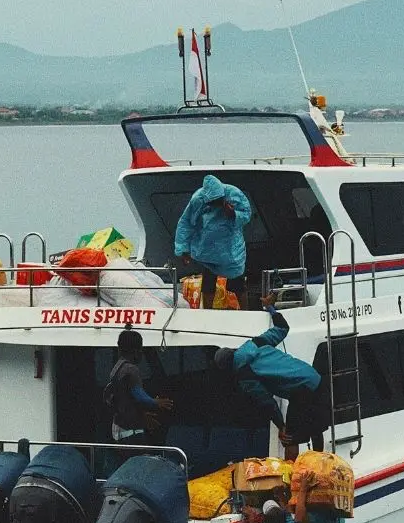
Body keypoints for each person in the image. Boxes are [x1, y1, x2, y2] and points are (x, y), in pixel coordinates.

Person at [214, 306, 330, 456]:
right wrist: (271, 308)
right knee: (316, 428)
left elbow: (266, 402)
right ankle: (320, 466)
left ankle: (290, 476)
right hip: (315, 377)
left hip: (300, 389)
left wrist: (281, 426)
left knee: (290, 438)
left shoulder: (243, 373)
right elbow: (282, 327)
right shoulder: (256, 343)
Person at [173, 174, 252, 307]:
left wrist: (233, 214)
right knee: (208, 283)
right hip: (207, 247)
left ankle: (248, 312)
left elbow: (247, 214)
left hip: (230, 247)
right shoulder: (198, 199)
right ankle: (208, 313)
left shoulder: (234, 194)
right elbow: (186, 223)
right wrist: (183, 249)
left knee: (238, 283)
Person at [104, 329, 174, 442]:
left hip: (118, 428)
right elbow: (139, 396)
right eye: (141, 349)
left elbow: (123, 400)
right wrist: (156, 402)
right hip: (130, 431)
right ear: (136, 350)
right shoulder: (131, 369)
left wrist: (140, 415)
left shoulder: (116, 368)